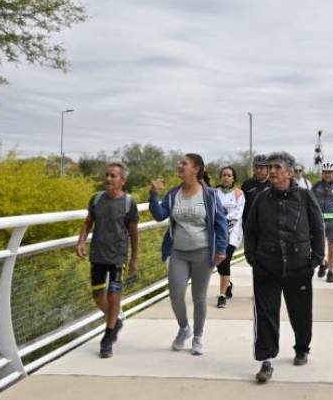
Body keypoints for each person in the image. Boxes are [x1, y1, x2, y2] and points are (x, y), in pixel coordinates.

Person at [244, 151, 325, 383]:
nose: (271, 171)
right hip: (266, 267)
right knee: (266, 314)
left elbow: (318, 229)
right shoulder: (261, 198)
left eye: (277, 167)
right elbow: (250, 230)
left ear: (290, 172)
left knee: (300, 312)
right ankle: (266, 361)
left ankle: (302, 348)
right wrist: (253, 258)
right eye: (270, 167)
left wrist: (315, 260)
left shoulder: (305, 197)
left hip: (299, 266)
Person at [148, 154, 228, 355]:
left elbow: (221, 223)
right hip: (178, 252)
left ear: (196, 169)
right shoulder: (174, 193)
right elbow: (159, 215)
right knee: (175, 295)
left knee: (199, 297)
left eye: (184, 163)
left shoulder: (209, 195)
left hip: (203, 252)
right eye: (180, 163)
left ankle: (199, 336)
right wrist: (153, 194)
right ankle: (184, 329)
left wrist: (221, 249)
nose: (179, 165)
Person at [76, 160, 139, 359]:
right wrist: (81, 242)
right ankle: (115, 321)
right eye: (107, 175)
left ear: (123, 180)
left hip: (117, 256)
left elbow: (134, 233)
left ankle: (108, 336)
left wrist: (134, 259)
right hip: (98, 255)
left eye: (113, 176)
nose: (108, 179)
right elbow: (87, 223)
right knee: (97, 296)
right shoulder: (96, 199)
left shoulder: (129, 203)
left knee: (114, 295)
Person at [215, 166, 245, 308]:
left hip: (232, 234)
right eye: (224, 175)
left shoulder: (239, 194)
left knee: (224, 260)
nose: (226, 177)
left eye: (229, 175)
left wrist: (222, 220)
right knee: (219, 262)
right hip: (217, 234)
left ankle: (221, 296)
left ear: (233, 178)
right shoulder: (215, 193)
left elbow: (237, 213)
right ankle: (228, 284)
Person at [241, 154, 271, 225]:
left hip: (268, 228)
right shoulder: (247, 184)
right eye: (256, 167)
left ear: (268, 169)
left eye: (261, 168)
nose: (258, 170)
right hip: (249, 226)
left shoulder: (274, 185)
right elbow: (242, 207)